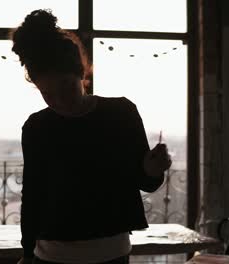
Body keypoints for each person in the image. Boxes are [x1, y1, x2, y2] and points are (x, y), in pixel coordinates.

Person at [11, 9, 172, 264]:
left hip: (103, 255)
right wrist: (27, 252)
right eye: (47, 94)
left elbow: (146, 182)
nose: (59, 100)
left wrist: (153, 169)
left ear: (82, 74)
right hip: (63, 255)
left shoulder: (122, 113)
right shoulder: (36, 127)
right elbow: (33, 196)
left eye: (65, 86)